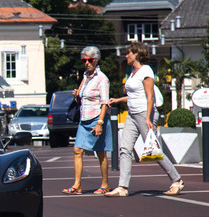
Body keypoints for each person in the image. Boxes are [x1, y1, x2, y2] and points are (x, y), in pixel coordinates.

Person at [105, 42, 184, 197]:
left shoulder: (146, 71)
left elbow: (149, 96)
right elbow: (134, 95)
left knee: (154, 150)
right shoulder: (133, 73)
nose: (126, 56)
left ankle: (177, 180)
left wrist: (148, 118)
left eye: (128, 53)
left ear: (137, 54)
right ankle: (123, 187)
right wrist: (118, 100)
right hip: (132, 115)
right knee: (124, 149)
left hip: (144, 115)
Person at [62, 46, 112, 195]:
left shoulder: (102, 79)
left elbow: (104, 103)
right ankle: (77, 185)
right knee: (77, 150)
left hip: (97, 117)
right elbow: (82, 93)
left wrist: (100, 123)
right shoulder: (85, 76)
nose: (87, 63)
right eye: (84, 60)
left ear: (96, 60)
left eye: (90, 60)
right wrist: (77, 93)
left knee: (100, 152)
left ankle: (105, 184)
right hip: (84, 119)